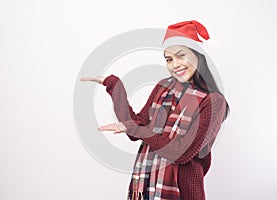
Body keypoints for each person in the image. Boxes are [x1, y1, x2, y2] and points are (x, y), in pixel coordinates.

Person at [81, 20, 230, 200]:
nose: (175, 65)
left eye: (181, 56)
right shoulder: (163, 88)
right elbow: (136, 127)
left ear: (198, 56)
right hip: (146, 189)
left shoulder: (213, 101)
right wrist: (114, 86)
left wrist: (135, 128)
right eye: (169, 59)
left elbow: (181, 153)